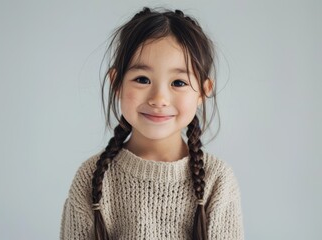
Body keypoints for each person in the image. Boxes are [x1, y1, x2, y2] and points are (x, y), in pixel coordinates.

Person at [60, 7, 244, 240]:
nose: (159, 99)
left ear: (203, 91)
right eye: (142, 79)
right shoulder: (92, 177)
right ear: (116, 83)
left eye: (178, 82)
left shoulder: (217, 181)